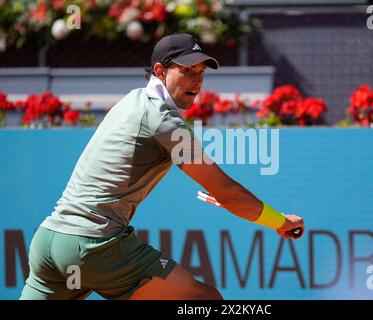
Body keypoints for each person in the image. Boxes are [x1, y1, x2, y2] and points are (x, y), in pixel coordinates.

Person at [20, 33, 305, 300]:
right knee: (206, 300)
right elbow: (228, 192)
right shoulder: (163, 120)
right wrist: (280, 222)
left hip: (49, 243)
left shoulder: (131, 100)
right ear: (159, 71)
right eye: (187, 70)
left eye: (201, 72)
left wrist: (228, 198)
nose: (197, 80)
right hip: (93, 246)